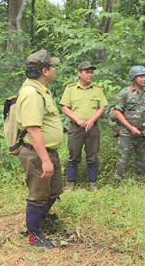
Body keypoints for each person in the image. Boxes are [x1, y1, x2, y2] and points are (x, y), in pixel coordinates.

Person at [16, 49, 62, 249]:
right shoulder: (32, 93)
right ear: (45, 70)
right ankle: (33, 235)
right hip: (37, 154)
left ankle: (40, 221)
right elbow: (33, 130)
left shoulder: (42, 89)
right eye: (52, 66)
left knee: (54, 189)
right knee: (38, 194)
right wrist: (45, 160)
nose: (54, 68)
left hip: (48, 152)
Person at [60, 61, 108, 191]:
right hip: (76, 127)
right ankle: (71, 184)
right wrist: (78, 120)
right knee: (73, 155)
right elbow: (64, 108)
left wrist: (92, 120)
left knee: (92, 155)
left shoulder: (97, 89)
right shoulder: (71, 89)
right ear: (79, 73)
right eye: (87, 72)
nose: (90, 75)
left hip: (93, 127)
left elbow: (102, 107)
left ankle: (92, 184)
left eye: (91, 72)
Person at [113, 66, 145, 181]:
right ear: (134, 78)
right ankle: (119, 181)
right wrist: (130, 128)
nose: (144, 79)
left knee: (142, 160)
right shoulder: (125, 93)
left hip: (143, 133)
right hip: (127, 133)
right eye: (141, 76)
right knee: (123, 159)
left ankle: (140, 181)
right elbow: (117, 112)